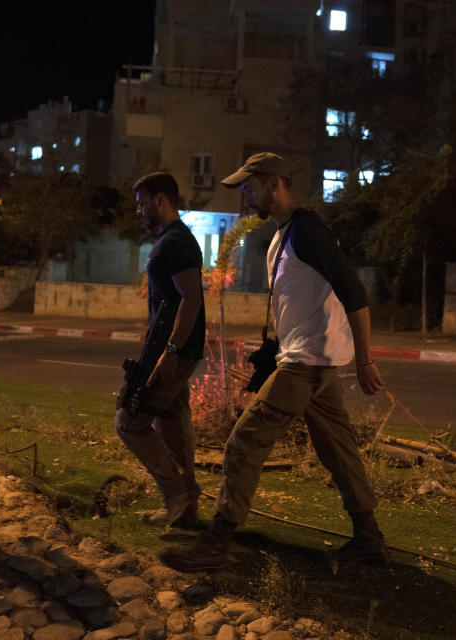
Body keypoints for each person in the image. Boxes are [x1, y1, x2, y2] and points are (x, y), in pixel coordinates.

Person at [160, 152, 387, 574]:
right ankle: (369, 538)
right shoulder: (285, 234)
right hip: (310, 357)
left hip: (307, 362)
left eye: (250, 187)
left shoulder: (308, 232)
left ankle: (217, 542)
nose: (246, 196)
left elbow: (354, 293)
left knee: (244, 442)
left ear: (274, 184)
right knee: (338, 450)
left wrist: (365, 360)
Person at [116, 171, 205, 528]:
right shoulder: (171, 240)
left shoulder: (176, 242)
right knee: (171, 425)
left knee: (129, 421)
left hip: (174, 351)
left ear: (160, 200)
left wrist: (170, 351)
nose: (138, 212)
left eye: (141, 204)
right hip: (167, 347)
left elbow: (192, 298)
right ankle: (187, 513)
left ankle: (178, 494)